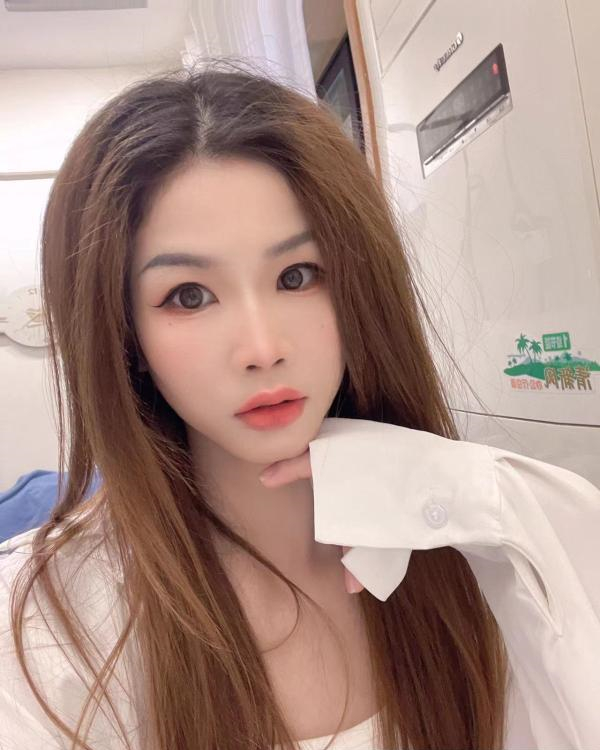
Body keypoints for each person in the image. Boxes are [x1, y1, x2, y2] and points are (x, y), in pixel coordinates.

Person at [0, 60, 598, 750]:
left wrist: (473, 495)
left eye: (297, 276)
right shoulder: (46, 634)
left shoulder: (473, 550)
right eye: (189, 296)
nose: (262, 348)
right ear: (124, 334)